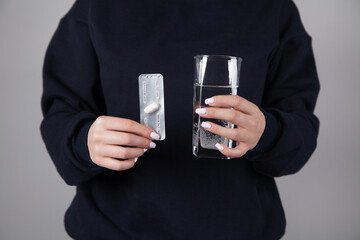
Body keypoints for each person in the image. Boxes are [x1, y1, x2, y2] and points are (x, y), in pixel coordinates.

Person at [40, 0, 320, 239]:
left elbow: (300, 129)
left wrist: (267, 132)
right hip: (114, 228)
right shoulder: (96, 7)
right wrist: (84, 140)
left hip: (237, 228)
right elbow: (61, 113)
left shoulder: (273, 9)